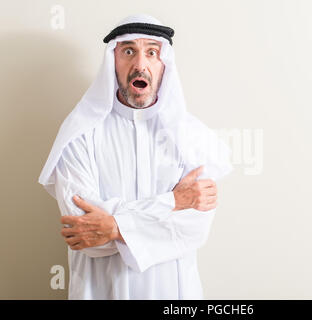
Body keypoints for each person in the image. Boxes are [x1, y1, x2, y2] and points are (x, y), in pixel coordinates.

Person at [38, 14, 233, 299]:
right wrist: (173, 201)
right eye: (128, 51)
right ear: (112, 60)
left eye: (151, 52)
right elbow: (84, 234)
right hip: (100, 290)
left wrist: (113, 226)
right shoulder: (79, 133)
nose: (140, 64)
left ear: (164, 63)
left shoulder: (192, 138)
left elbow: (192, 230)